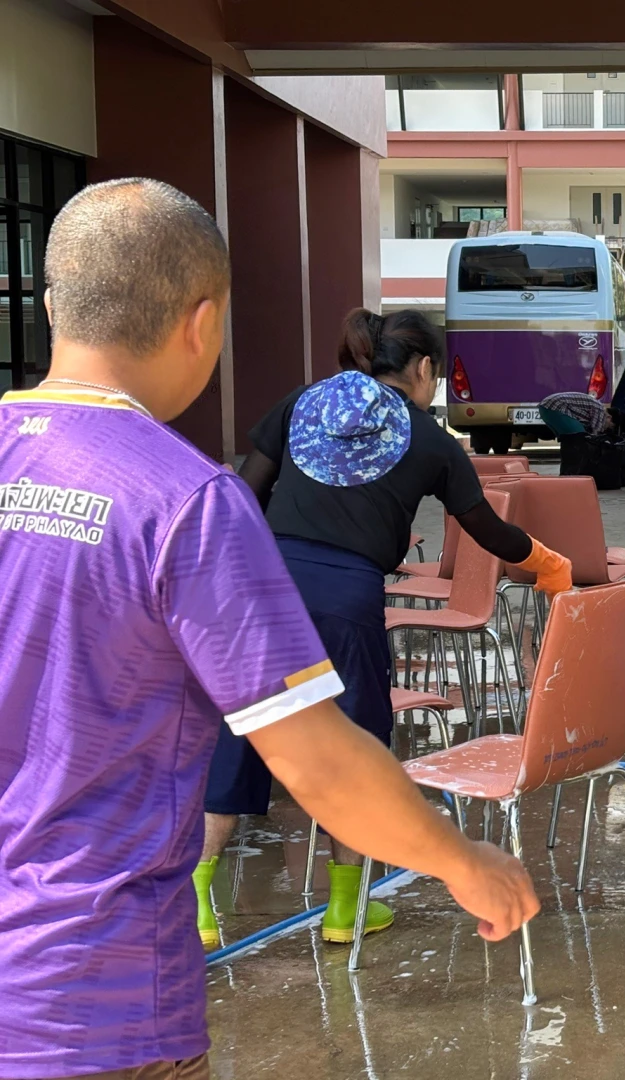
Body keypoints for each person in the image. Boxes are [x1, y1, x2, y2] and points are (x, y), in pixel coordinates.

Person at [0, 178, 538, 1080]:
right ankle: (344, 904)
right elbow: (319, 760)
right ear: (203, 322)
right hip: (90, 1004)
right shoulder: (182, 501)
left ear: (55, 306)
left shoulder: (263, 444)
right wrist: (458, 857)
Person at [202, 308, 573, 946]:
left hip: (265, 592)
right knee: (357, 750)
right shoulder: (428, 439)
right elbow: (485, 529)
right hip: (348, 599)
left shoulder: (303, 402)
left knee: (239, 739)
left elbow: (244, 492)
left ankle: (196, 908)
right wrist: (545, 562)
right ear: (424, 367)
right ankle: (345, 912)